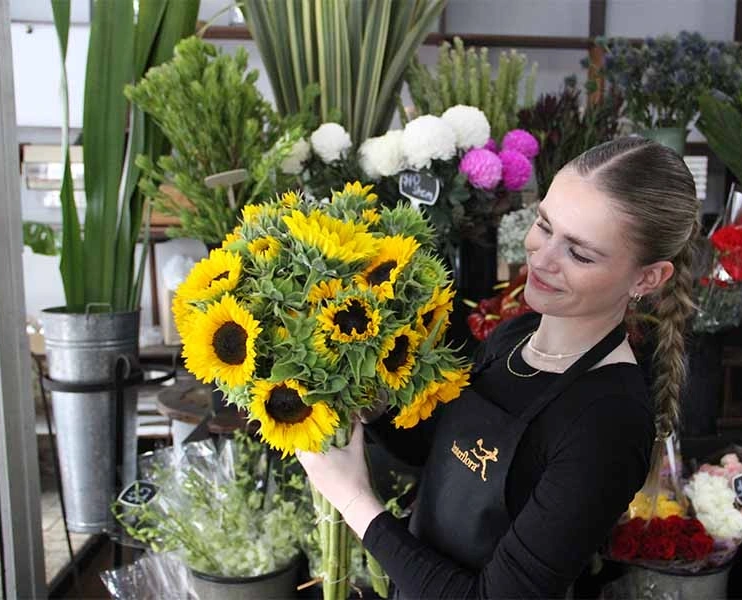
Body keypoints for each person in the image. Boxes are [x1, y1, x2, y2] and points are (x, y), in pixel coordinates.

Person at [297, 137, 701, 598]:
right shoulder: (516, 335)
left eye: (580, 253)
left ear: (647, 278)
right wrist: (372, 407)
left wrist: (353, 499)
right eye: (544, 225)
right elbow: (447, 455)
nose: (542, 259)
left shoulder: (607, 423)